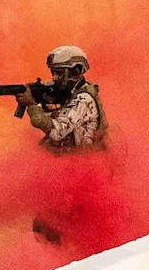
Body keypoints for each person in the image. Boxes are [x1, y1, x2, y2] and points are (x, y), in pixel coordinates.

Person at [14, 45, 109, 243]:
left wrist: (32, 106)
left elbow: (57, 131)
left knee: (53, 229)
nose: (55, 79)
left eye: (60, 73)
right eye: (53, 73)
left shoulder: (83, 99)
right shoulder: (75, 96)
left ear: (76, 71)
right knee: (46, 227)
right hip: (74, 173)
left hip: (82, 176)